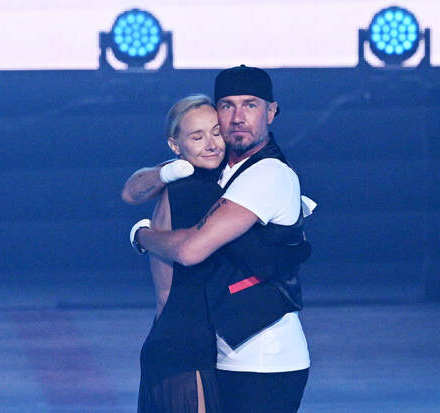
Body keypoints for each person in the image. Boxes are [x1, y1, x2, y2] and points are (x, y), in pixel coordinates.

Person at [131, 65, 312, 413]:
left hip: (265, 359)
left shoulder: (269, 173)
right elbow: (131, 190)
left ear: (271, 112)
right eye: (228, 106)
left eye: (250, 105)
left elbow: (190, 250)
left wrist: (143, 236)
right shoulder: (218, 169)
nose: (238, 117)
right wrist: (169, 170)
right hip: (222, 355)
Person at [127, 94, 226, 413]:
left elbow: (131, 191)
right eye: (197, 137)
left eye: (217, 132)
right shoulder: (196, 190)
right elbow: (188, 251)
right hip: (187, 350)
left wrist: (142, 235)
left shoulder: (182, 182)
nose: (211, 144)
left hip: (169, 343)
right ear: (175, 145)